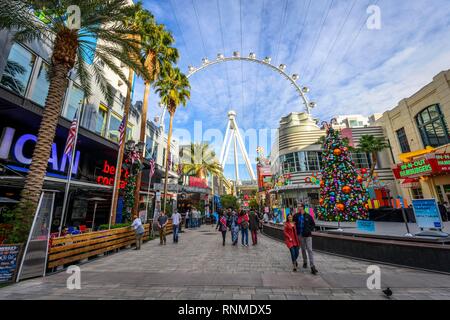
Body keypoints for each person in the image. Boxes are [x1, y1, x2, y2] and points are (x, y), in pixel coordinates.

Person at [293, 205, 318, 275]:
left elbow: (313, 224)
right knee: (303, 249)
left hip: (308, 235)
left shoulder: (308, 216)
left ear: (303, 208)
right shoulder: (296, 216)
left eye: (299, 206)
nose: (298, 207)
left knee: (310, 250)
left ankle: (312, 266)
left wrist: (309, 229)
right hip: (300, 235)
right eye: (297, 207)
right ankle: (305, 262)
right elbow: (292, 223)